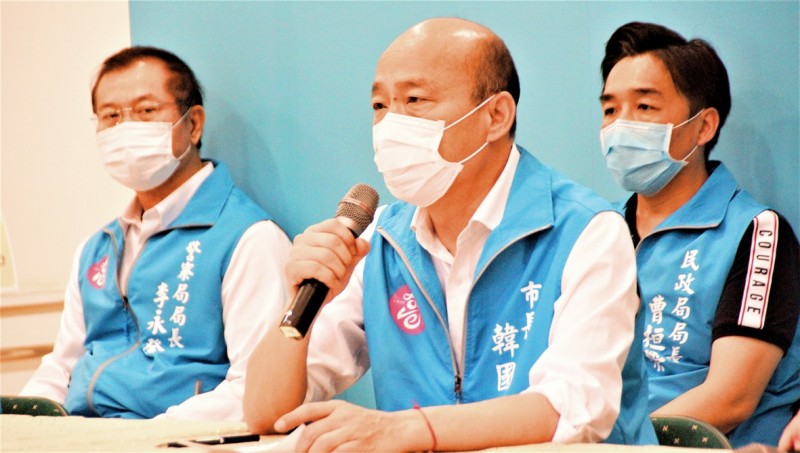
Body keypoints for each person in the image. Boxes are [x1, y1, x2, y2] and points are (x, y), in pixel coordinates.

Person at [244, 18, 656, 450]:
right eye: (380, 106)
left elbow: (572, 411)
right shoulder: (382, 241)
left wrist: (405, 429)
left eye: (415, 99)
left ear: (496, 116)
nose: (390, 126)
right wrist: (297, 310)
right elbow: (269, 415)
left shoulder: (587, 231)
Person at [19, 46, 292, 420]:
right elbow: (63, 366)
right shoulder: (97, 248)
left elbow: (253, 387)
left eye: (146, 111)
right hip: (86, 436)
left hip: (179, 440)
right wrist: (20, 420)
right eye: (110, 116)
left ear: (193, 124)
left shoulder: (249, 238)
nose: (124, 128)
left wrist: (149, 438)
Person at [598, 22, 800, 447]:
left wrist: (608, 442)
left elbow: (731, 398)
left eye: (645, 108)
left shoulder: (756, 232)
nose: (620, 126)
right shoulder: (597, 234)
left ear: (704, 126)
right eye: (610, 110)